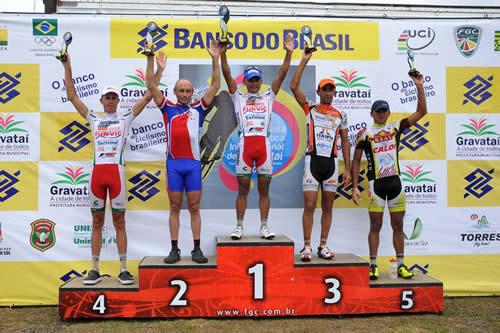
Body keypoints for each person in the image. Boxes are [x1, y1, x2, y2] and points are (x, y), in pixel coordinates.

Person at [60, 52, 160, 285]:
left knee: (119, 223)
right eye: (108, 97)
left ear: (118, 100)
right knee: (96, 222)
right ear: (102, 100)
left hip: (117, 174)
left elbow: (148, 96)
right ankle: (94, 268)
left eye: (114, 97)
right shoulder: (93, 117)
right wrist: (68, 65)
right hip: (98, 174)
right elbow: (72, 95)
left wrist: (155, 64)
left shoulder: (126, 116)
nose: (111, 101)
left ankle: (123, 268)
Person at [146, 41, 221, 264]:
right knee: (175, 207)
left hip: (193, 165)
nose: (186, 94)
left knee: (195, 207)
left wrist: (214, 58)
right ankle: (174, 249)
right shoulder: (167, 107)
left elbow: (216, 85)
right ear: (175, 92)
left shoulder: (199, 108)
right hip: (174, 165)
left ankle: (196, 249)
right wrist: (154, 63)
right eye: (181, 90)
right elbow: (151, 85)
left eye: (188, 90)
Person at [351, 71, 427, 280]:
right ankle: (373, 265)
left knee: (398, 225)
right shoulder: (364, 133)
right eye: (378, 111)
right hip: (376, 185)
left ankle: (401, 264)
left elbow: (421, 111)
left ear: (389, 111)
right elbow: (356, 160)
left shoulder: (396, 127)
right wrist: (355, 186)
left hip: (396, 184)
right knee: (375, 225)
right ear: (372, 113)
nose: (381, 113)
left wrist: (419, 85)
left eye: (384, 110)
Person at [220, 34, 294, 240]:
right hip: (245, 145)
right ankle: (239, 227)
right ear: (244, 81)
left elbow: (282, 74)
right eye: (250, 80)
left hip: (264, 146)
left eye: (256, 80)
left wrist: (289, 54)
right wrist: (223, 55)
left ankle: (264, 226)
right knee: (242, 189)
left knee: (264, 189)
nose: (253, 83)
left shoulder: (268, 95)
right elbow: (227, 76)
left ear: (261, 81)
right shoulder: (239, 96)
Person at [290, 49, 352, 261]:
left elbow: (345, 141)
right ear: (318, 91)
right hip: (312, 161)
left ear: (334, 93)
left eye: (331, 90)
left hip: (332, 164)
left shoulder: (341, 114)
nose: (328, 93)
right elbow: (293, 86)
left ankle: (323, 245)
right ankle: (306, 246)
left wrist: (348, 169)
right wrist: (304, 60)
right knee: (309, 205)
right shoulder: (311, 109)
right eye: (325, 89)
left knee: (328, 206)